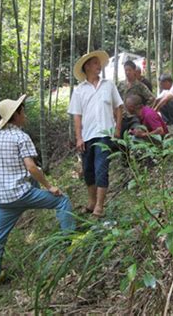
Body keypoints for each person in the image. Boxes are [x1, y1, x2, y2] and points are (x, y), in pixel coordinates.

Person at [0, 95, 75, 286]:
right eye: (22, 111)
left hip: (1, 199)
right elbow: (32, 167)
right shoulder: (20, 136)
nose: (24, 114)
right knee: (62, 200)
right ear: (16, 115)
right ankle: (71, 241)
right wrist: (50, 186)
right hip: (21, 193)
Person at [68, 50, 124, 218]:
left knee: (101, 168)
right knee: (88, 170)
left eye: (99, 63)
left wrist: (118, 129)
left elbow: (119, 108)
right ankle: (92, 202)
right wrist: (78, 137)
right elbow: (77, 116)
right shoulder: (79, 90)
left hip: (105, 134)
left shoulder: (109, 85)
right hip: (87, 135)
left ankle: (99, 206)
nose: (98, 66)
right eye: (94, 63)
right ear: (86, 67)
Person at [117, 60, 155, 133]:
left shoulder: (140, 85)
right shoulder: (120, 85)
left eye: (129, 70)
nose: (127, 72)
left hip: (134, 116)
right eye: (126, 70)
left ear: (134, 71)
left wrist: (143, 111)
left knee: (136, 133)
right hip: (122, 116)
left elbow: (151, 98)